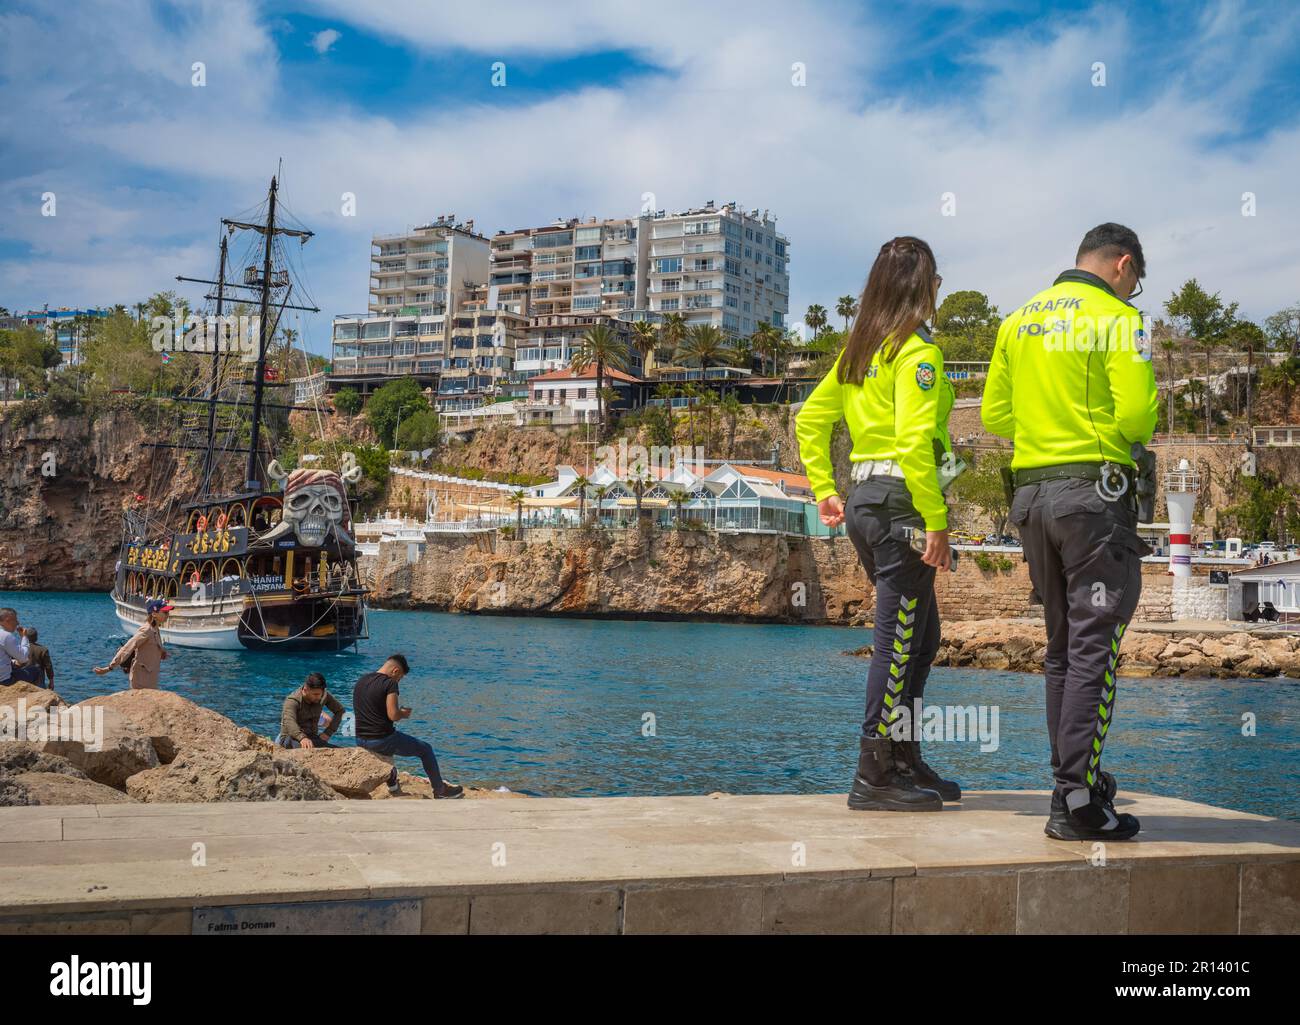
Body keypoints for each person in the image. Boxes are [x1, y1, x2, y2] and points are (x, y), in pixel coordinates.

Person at [981, 223, 1158, 842]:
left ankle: (1073, 784)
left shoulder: (1018, 319)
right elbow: (1137, 414)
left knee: (1061, 647)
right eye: (1137, 280)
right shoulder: (1118, 318)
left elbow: (994, 414)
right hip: (1094, 497)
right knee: (1095, 647)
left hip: (1031, 497)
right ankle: (1077, 801)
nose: (1135, 290)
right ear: (1123, 265)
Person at [796, 235, 960, 812]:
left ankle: (903, 756)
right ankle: (874, 773)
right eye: (936, 278)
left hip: (868, 502)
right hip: (903, 506)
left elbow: (809, 421)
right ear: (922, 286)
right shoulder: (916, 353)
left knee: (923, 636)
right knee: (897, 642)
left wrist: (826, 489)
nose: (940, 287)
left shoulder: (860, 354)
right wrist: (936, 522)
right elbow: (916, 441)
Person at [352, 654, 463, 799]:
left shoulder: (362, 680)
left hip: (360, 739)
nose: (399, 680)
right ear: (395, 671)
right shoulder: (390, 683)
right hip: (381, 740)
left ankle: (393, 786)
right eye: (400, 678)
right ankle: (440, 790)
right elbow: (393, 715)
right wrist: (403, 713)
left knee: (389, 752)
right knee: (425, 749)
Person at [94, 598, 172, 689]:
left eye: (168, 612)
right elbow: (127, 648)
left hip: (150, 676)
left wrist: (161, 652)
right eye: (165, 612)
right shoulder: (146, 630)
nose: (168, 615)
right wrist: (109, 668)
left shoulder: (155, 629)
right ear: (154, 614)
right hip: (141, 678)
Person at [277, 672, 345, 749]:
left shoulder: (322, 695)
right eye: (315, 694)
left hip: (313, 738)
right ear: (305, 690)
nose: (319, 697)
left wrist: (328, 733)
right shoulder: (292, 701)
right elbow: (289, 721)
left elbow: (340, 711)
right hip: (290, 739)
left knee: (340, 750)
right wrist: (302, 738)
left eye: (321, 694)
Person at [0, 607, 31, 686]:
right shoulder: (6, 636)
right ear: (7, 620)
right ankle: (34, 697)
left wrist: (12, 662)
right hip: (4, 680)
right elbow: (23, 658)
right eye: (15, 620)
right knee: (36, 671)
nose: (17, 623)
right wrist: (24, 637)